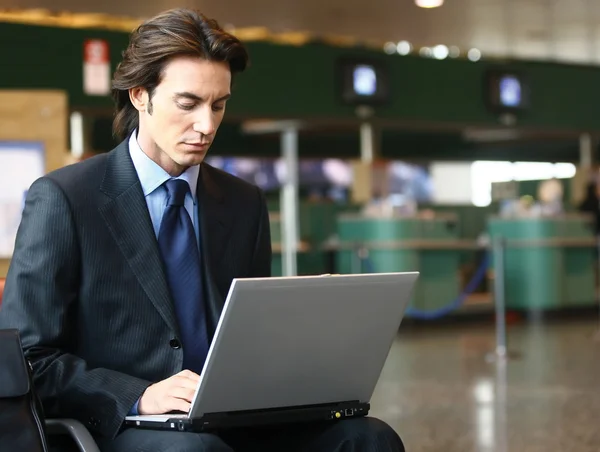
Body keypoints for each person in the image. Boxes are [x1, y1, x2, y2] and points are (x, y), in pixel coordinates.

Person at [0, 8, 405, 452]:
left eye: (219, 104)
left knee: (369, 438)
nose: (207, 125)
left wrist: (307, 334)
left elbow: (251, 335)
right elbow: (29, 361)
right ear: (140, 95)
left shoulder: (244, 202)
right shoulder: (64, 199)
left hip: (235, 415)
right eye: (188, 103)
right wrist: (138, 394)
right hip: (125, 425)